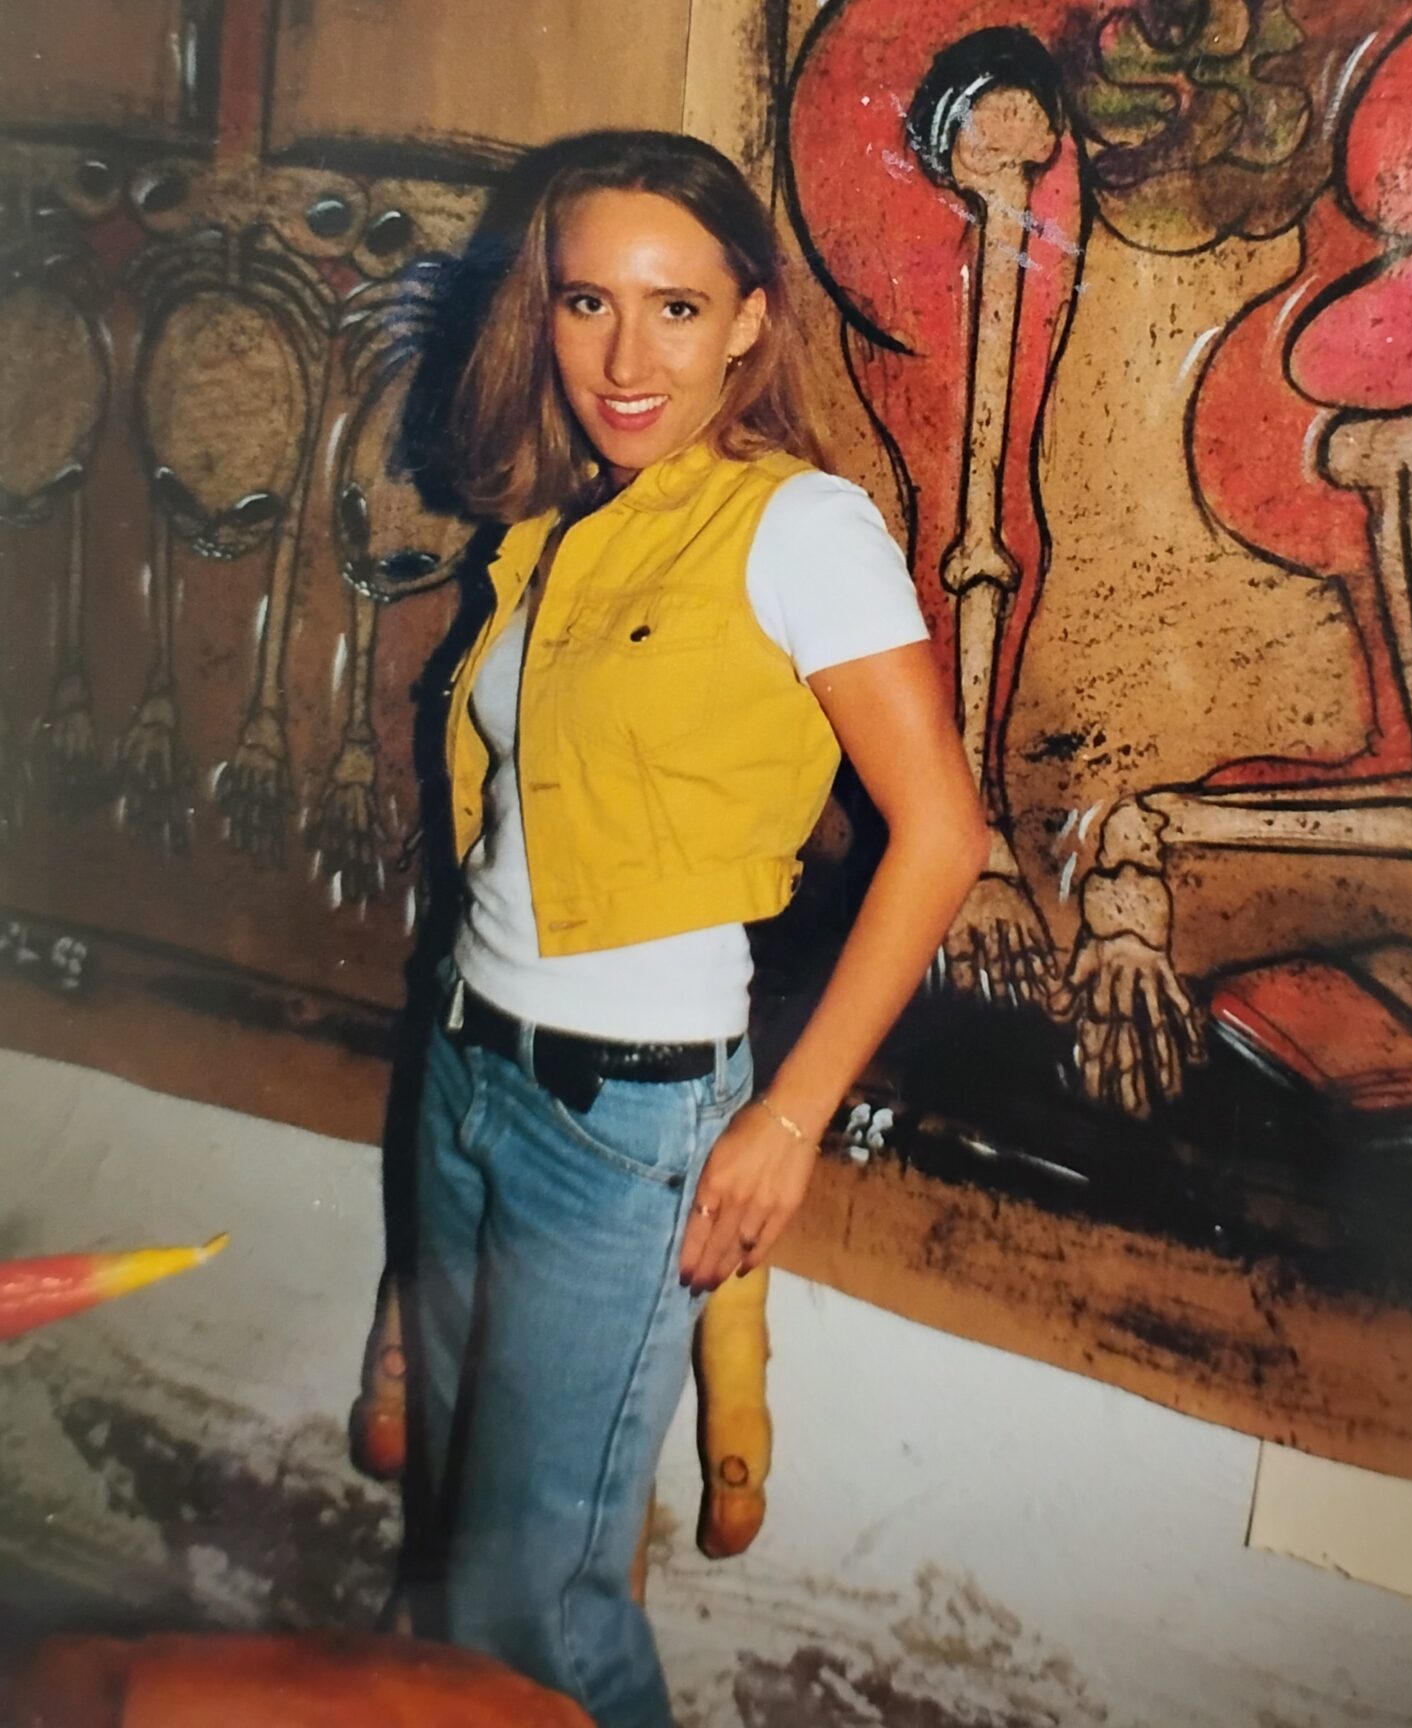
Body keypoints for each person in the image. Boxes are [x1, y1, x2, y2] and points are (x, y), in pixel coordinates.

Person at [411, 129, 987, 1728]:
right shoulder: (560, 528)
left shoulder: (798, 527)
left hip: (623, 1120)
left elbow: (943, 837)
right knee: (455, 1558)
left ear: (749, 320)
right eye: (587, 301)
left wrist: (788, 1119)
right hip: (466, 1073)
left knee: (538, 1609)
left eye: (675, 307)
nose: (625, 357)